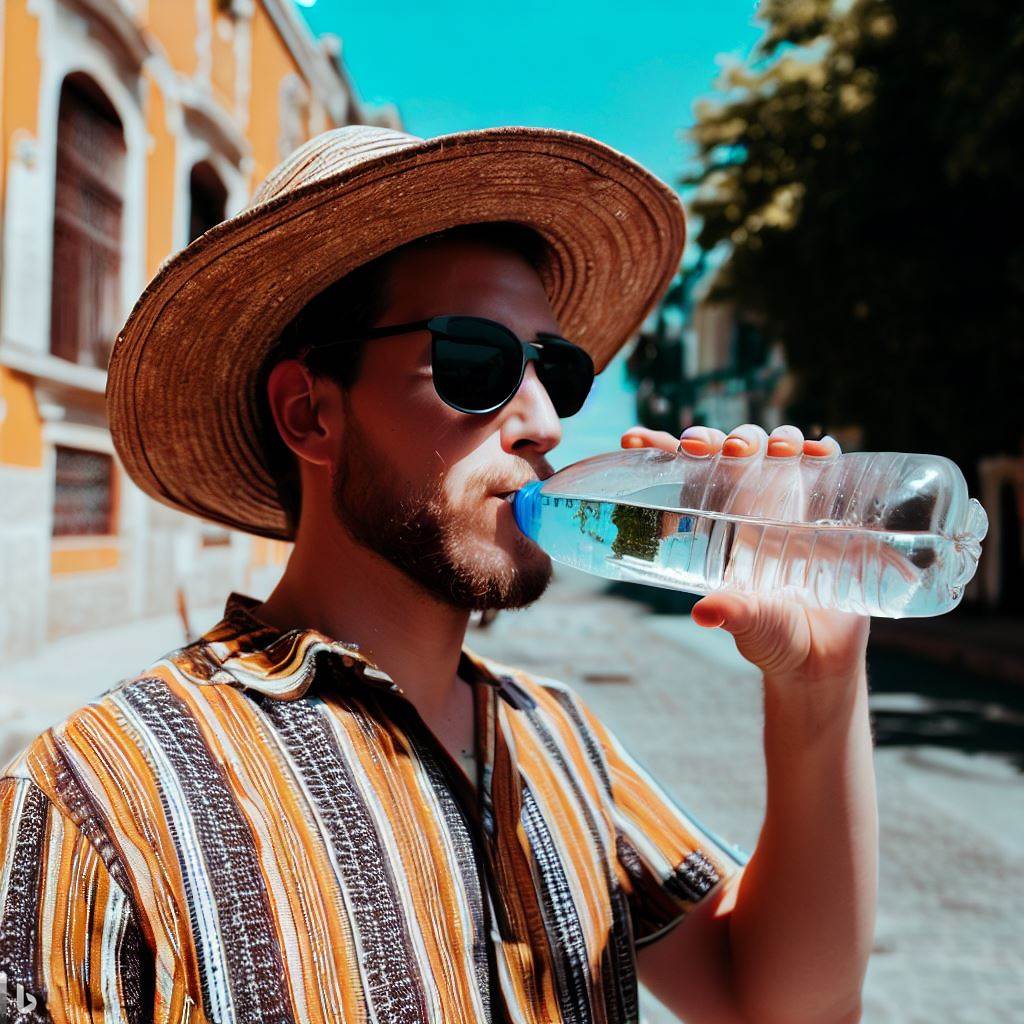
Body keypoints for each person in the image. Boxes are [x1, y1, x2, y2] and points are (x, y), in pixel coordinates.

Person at [0, 125, 876, 1024]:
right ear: (310, 413)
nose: (543, 424)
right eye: (476, 362)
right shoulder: (99, 797)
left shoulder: (557, 738)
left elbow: (779, 1005)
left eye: (557, 372)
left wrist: (819, 689)